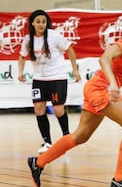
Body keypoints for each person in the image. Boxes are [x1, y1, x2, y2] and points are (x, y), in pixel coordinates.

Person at [27, 14, 122, 187]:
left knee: (80, 136)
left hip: (101, 90)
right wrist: (113, 85)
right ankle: (120, 178)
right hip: (100, 88)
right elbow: (104, 58)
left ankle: (38, 162)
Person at [18, 9, 81, 154]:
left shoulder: (54, 36)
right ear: (32, 23)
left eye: (44, 22)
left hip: (57, 77)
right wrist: (20, 72)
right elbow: (22, 55)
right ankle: (47, 142)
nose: (41, 24)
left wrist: (75, 69)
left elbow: (70, 50)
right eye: (38, 22)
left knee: (58, 110)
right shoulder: (28, 39)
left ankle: (67, 136)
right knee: (38, 109)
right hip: (39, 79)